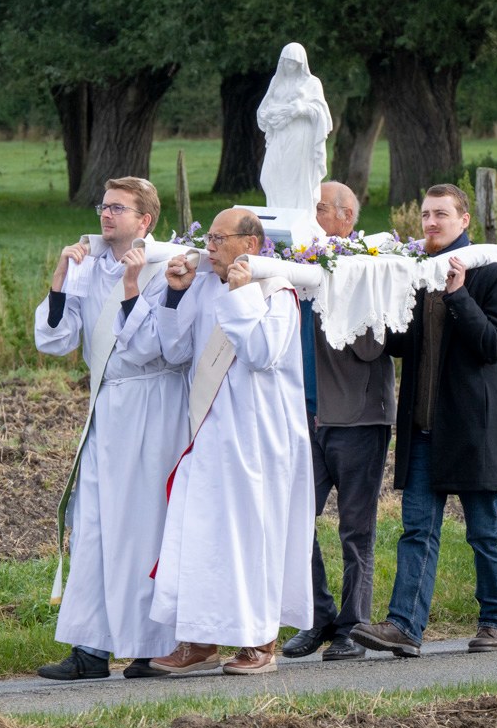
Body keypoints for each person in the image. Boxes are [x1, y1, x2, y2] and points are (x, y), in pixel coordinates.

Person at [33, 178, 189, 682]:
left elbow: (157, 348)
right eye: (104, 206)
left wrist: (131, 288)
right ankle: (89, 649)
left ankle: (150, 647)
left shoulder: (166, 267)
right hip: (107, 405)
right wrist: (59, 278)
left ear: (144, 220)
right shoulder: (87, 266)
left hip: (153, 403)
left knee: (144, 524)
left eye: (118, 208)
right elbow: (55, 341)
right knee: (94, 525)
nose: (106, 215)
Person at [147, 209, 315, 676]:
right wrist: (176, 294)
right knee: (200, 535)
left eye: (220, 238)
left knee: (251, 537)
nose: (210, 246)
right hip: (208, 431)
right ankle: (199, 639)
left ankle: (259, 642)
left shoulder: (276, 290)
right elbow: (176, 350)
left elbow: (262, 355)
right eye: (210, 237)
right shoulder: (203, 287)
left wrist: (243, 295)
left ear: (252, 245)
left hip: (258, 438)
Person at [354, 184, 497, 656]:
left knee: (483, 528)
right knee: (417, 531)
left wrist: (459, 295)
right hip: (423, 428)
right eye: (425, 215)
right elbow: (401, 345)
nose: (430, 223)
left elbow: (495, 346)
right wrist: (373, 299)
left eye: (441, 214)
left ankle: (495, 621)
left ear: (464, 220)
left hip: (473, 428)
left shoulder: (491, 273)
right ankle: (405, 626)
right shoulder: (418, 273)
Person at [283, 181, 392, 663]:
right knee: (293, 521)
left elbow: (371, 347)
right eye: (312, 207)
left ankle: (354, 627)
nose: (314, 215)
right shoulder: (294, 267)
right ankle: (319, 616)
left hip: (356, 418)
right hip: (304, 415)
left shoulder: (365, 268)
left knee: (355, 529)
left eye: (323, 208)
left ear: (347, 218)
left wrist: (338, 288)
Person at [256, 43, 333, 212]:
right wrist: (270, 114)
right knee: (269, 176)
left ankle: (299, 214)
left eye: (293, 62)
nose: (289, 66)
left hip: (300, 136)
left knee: (297, 178)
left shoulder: (312, 83)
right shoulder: (277, 82)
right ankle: (276, 213)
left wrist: (302, 109)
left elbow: (322, 113)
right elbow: (265, 108)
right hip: (280, 134)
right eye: (286, 62)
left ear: (301, 63)